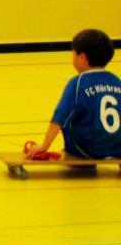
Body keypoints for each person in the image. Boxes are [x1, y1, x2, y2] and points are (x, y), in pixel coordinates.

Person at [24, 29, 121, 163]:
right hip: (118, 149)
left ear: (82, 57)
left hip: (87, 150)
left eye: (73, 53)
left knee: (69, 116)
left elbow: (60, 116)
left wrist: (44, 146)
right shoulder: (117, 81)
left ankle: (83, 160)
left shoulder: (77, 82)